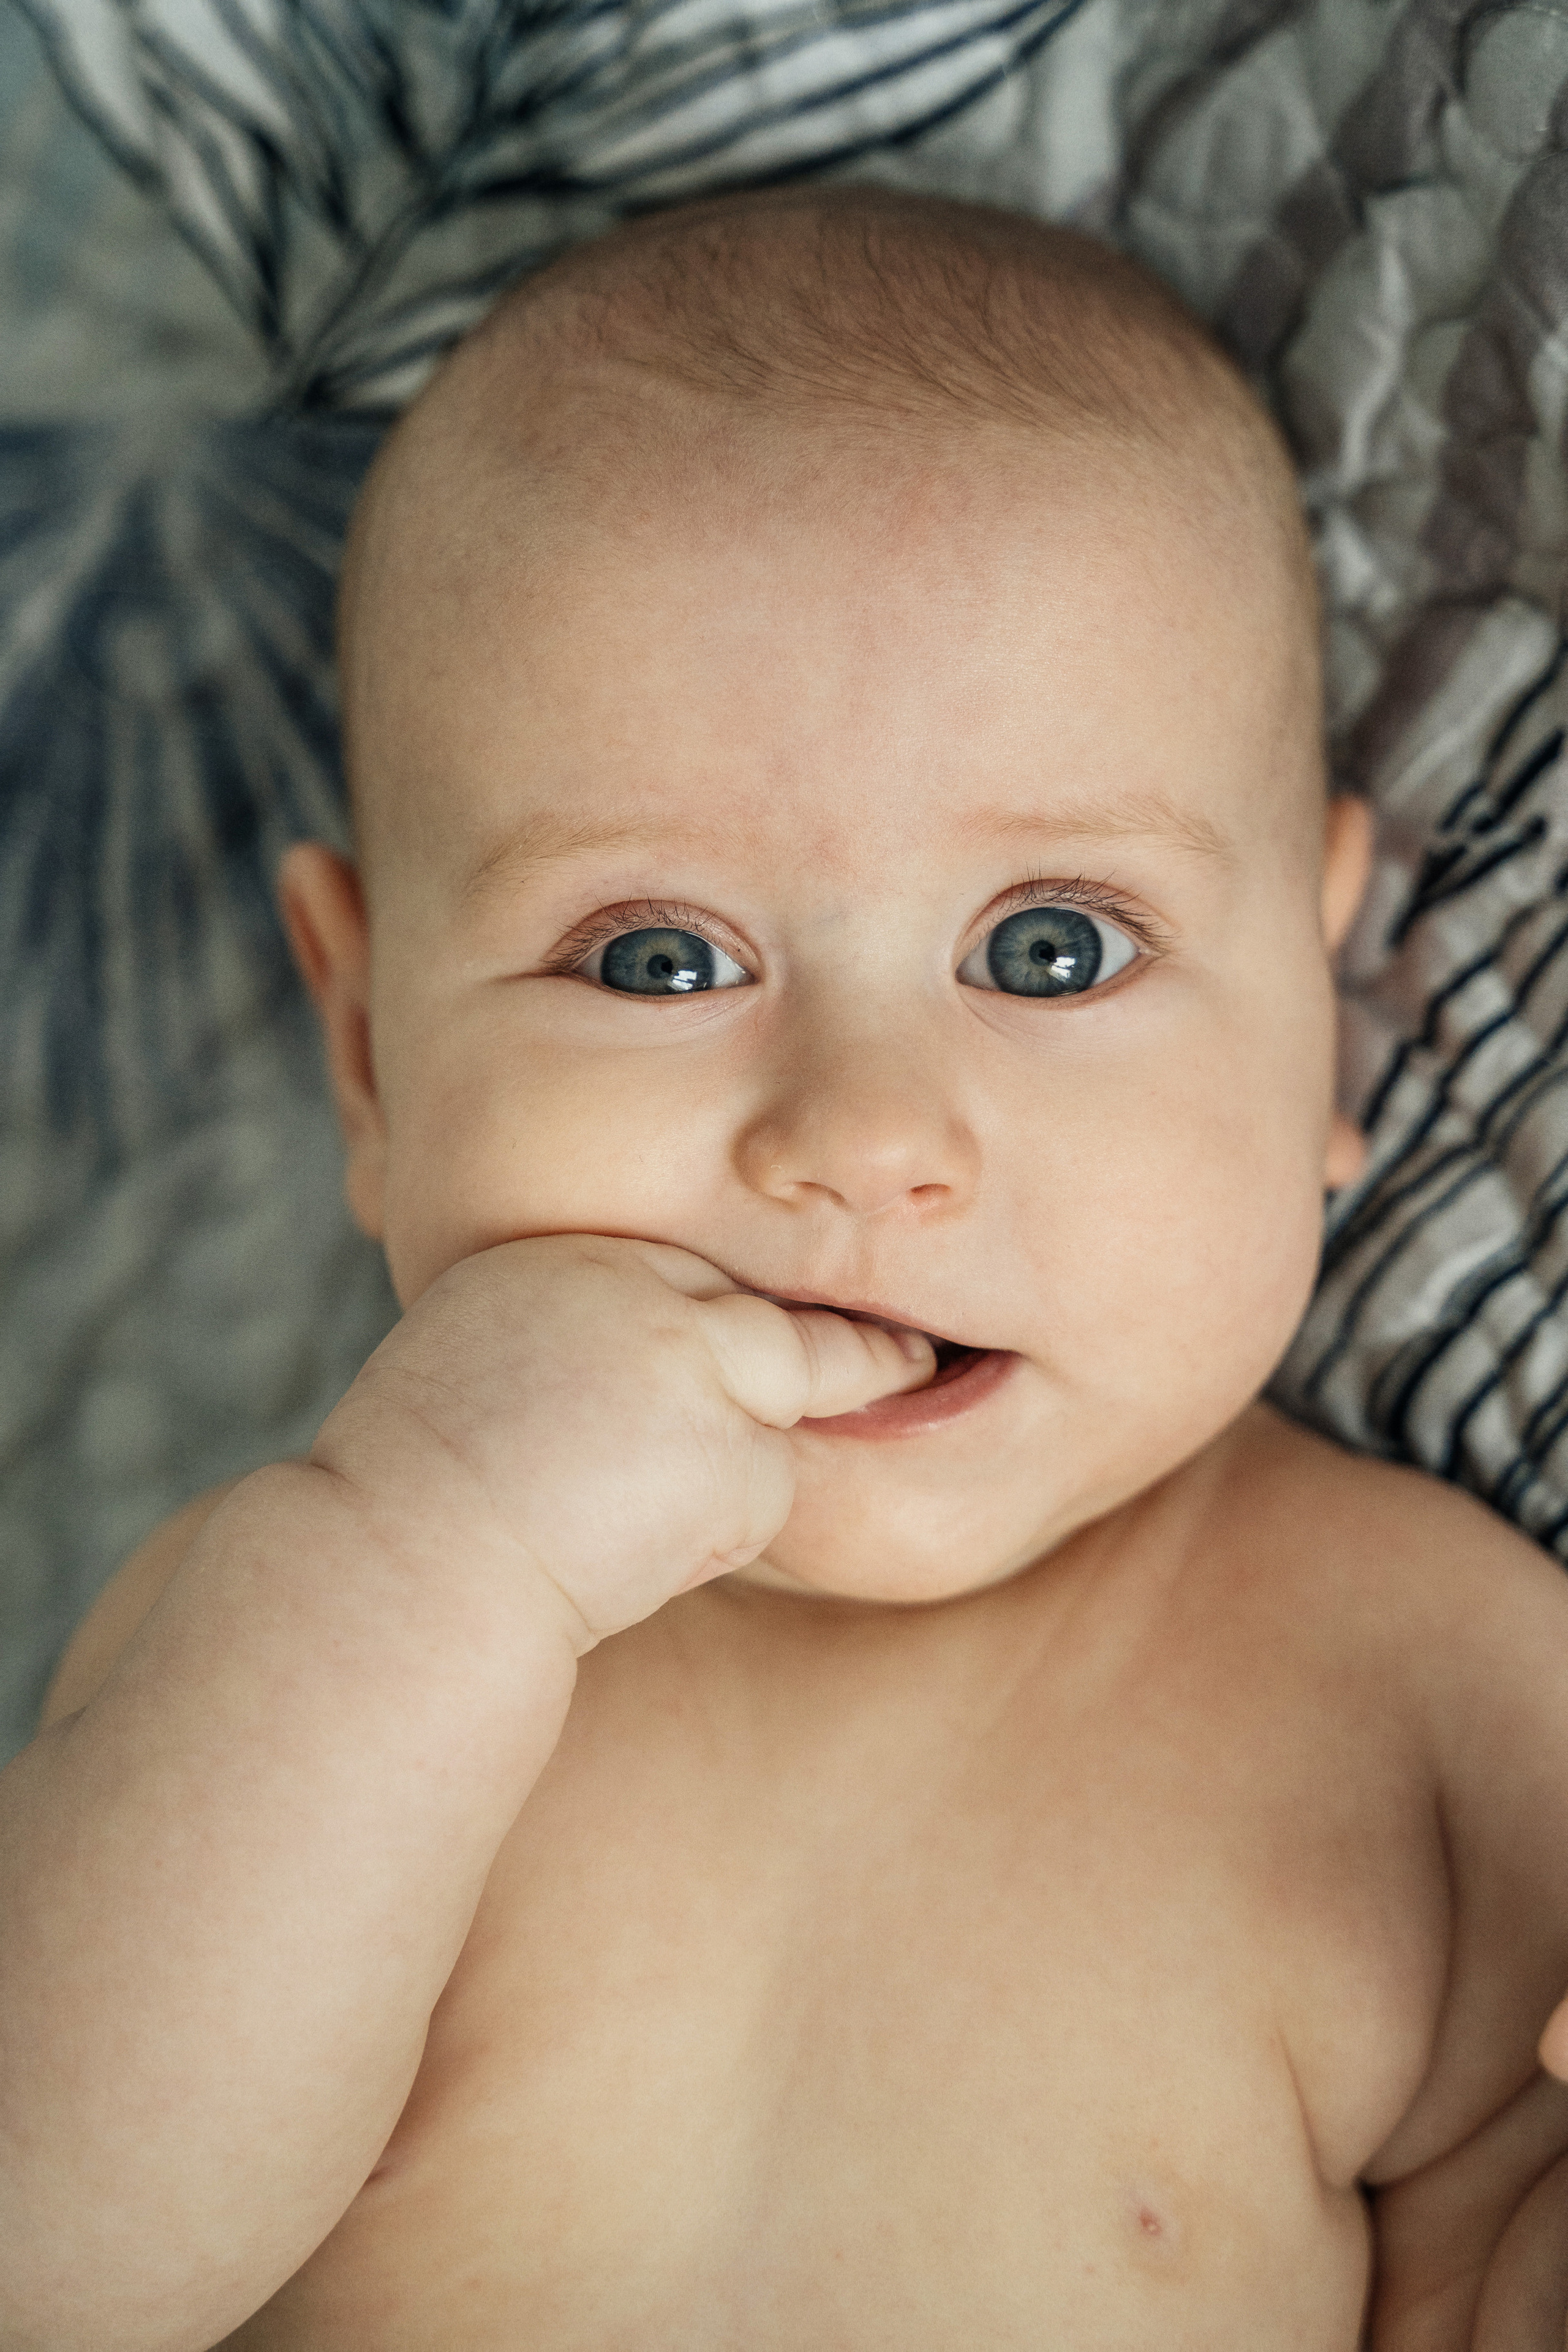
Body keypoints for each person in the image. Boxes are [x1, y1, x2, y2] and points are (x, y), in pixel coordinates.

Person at [6, 183, 1568, 2352]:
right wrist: (433, 1556)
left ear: (1320, 1004)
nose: (861, 1139)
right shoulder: (302, 1643)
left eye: (1054, 947)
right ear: (372, 1056)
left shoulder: (1444, 1689)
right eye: (657, 957)